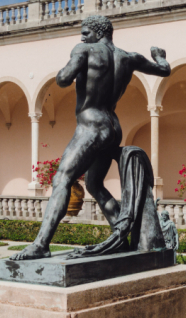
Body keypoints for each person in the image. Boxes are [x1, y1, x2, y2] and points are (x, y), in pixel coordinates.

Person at [11, 15, 170, 261]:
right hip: (112, 126)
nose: (82, 37)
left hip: (91, 125)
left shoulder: (84, 49)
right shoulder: (129, 58)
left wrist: (74, 61)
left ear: (98, 32)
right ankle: (121, 235)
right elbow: (164, 69)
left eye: (85, 32)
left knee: (62, 178)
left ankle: (41, 244)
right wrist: (159, 54)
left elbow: (63, 79)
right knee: (94, 185)